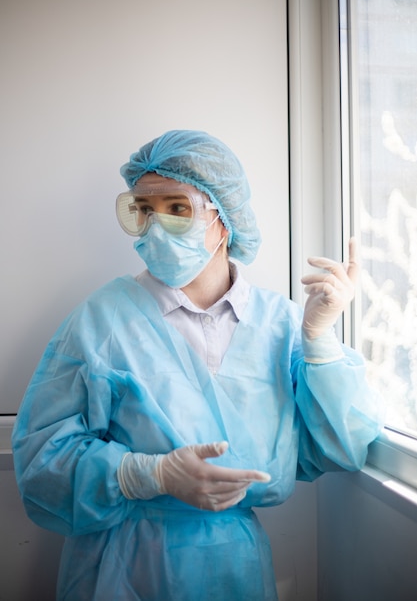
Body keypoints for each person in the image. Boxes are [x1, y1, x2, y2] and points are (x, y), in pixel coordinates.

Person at [12, 130, 384, 601]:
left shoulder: (283, 325)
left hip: (235, 568)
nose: (155, 225)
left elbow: (343, 448)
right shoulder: (103, 318)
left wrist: (319, 339)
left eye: (177, 208)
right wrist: (149, 475)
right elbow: (41, 463)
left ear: (223, 220)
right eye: (144, 210)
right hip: (121, 568)